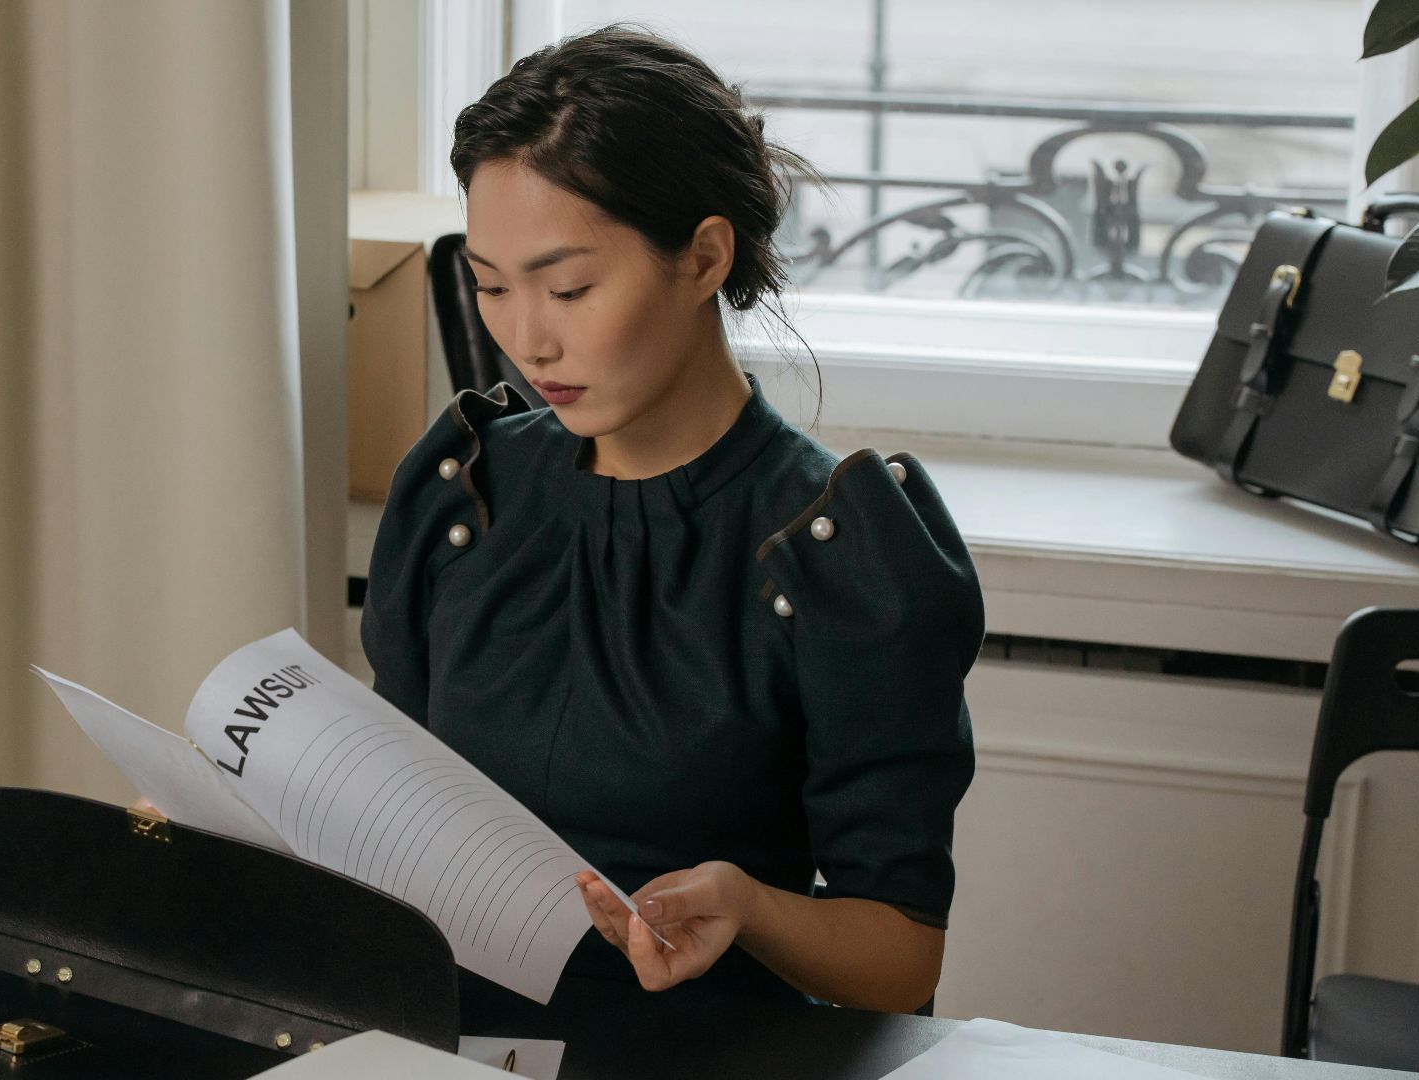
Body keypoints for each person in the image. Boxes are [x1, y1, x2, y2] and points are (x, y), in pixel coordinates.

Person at [360, 24, 984, 1014]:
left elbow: (902, 958)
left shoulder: (835, 554)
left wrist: (754, 908)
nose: (526, 338)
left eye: (569, 287)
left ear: (702, 258)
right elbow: (390, 813)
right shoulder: (462, 493)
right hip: (442, 1038)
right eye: (489, 286)